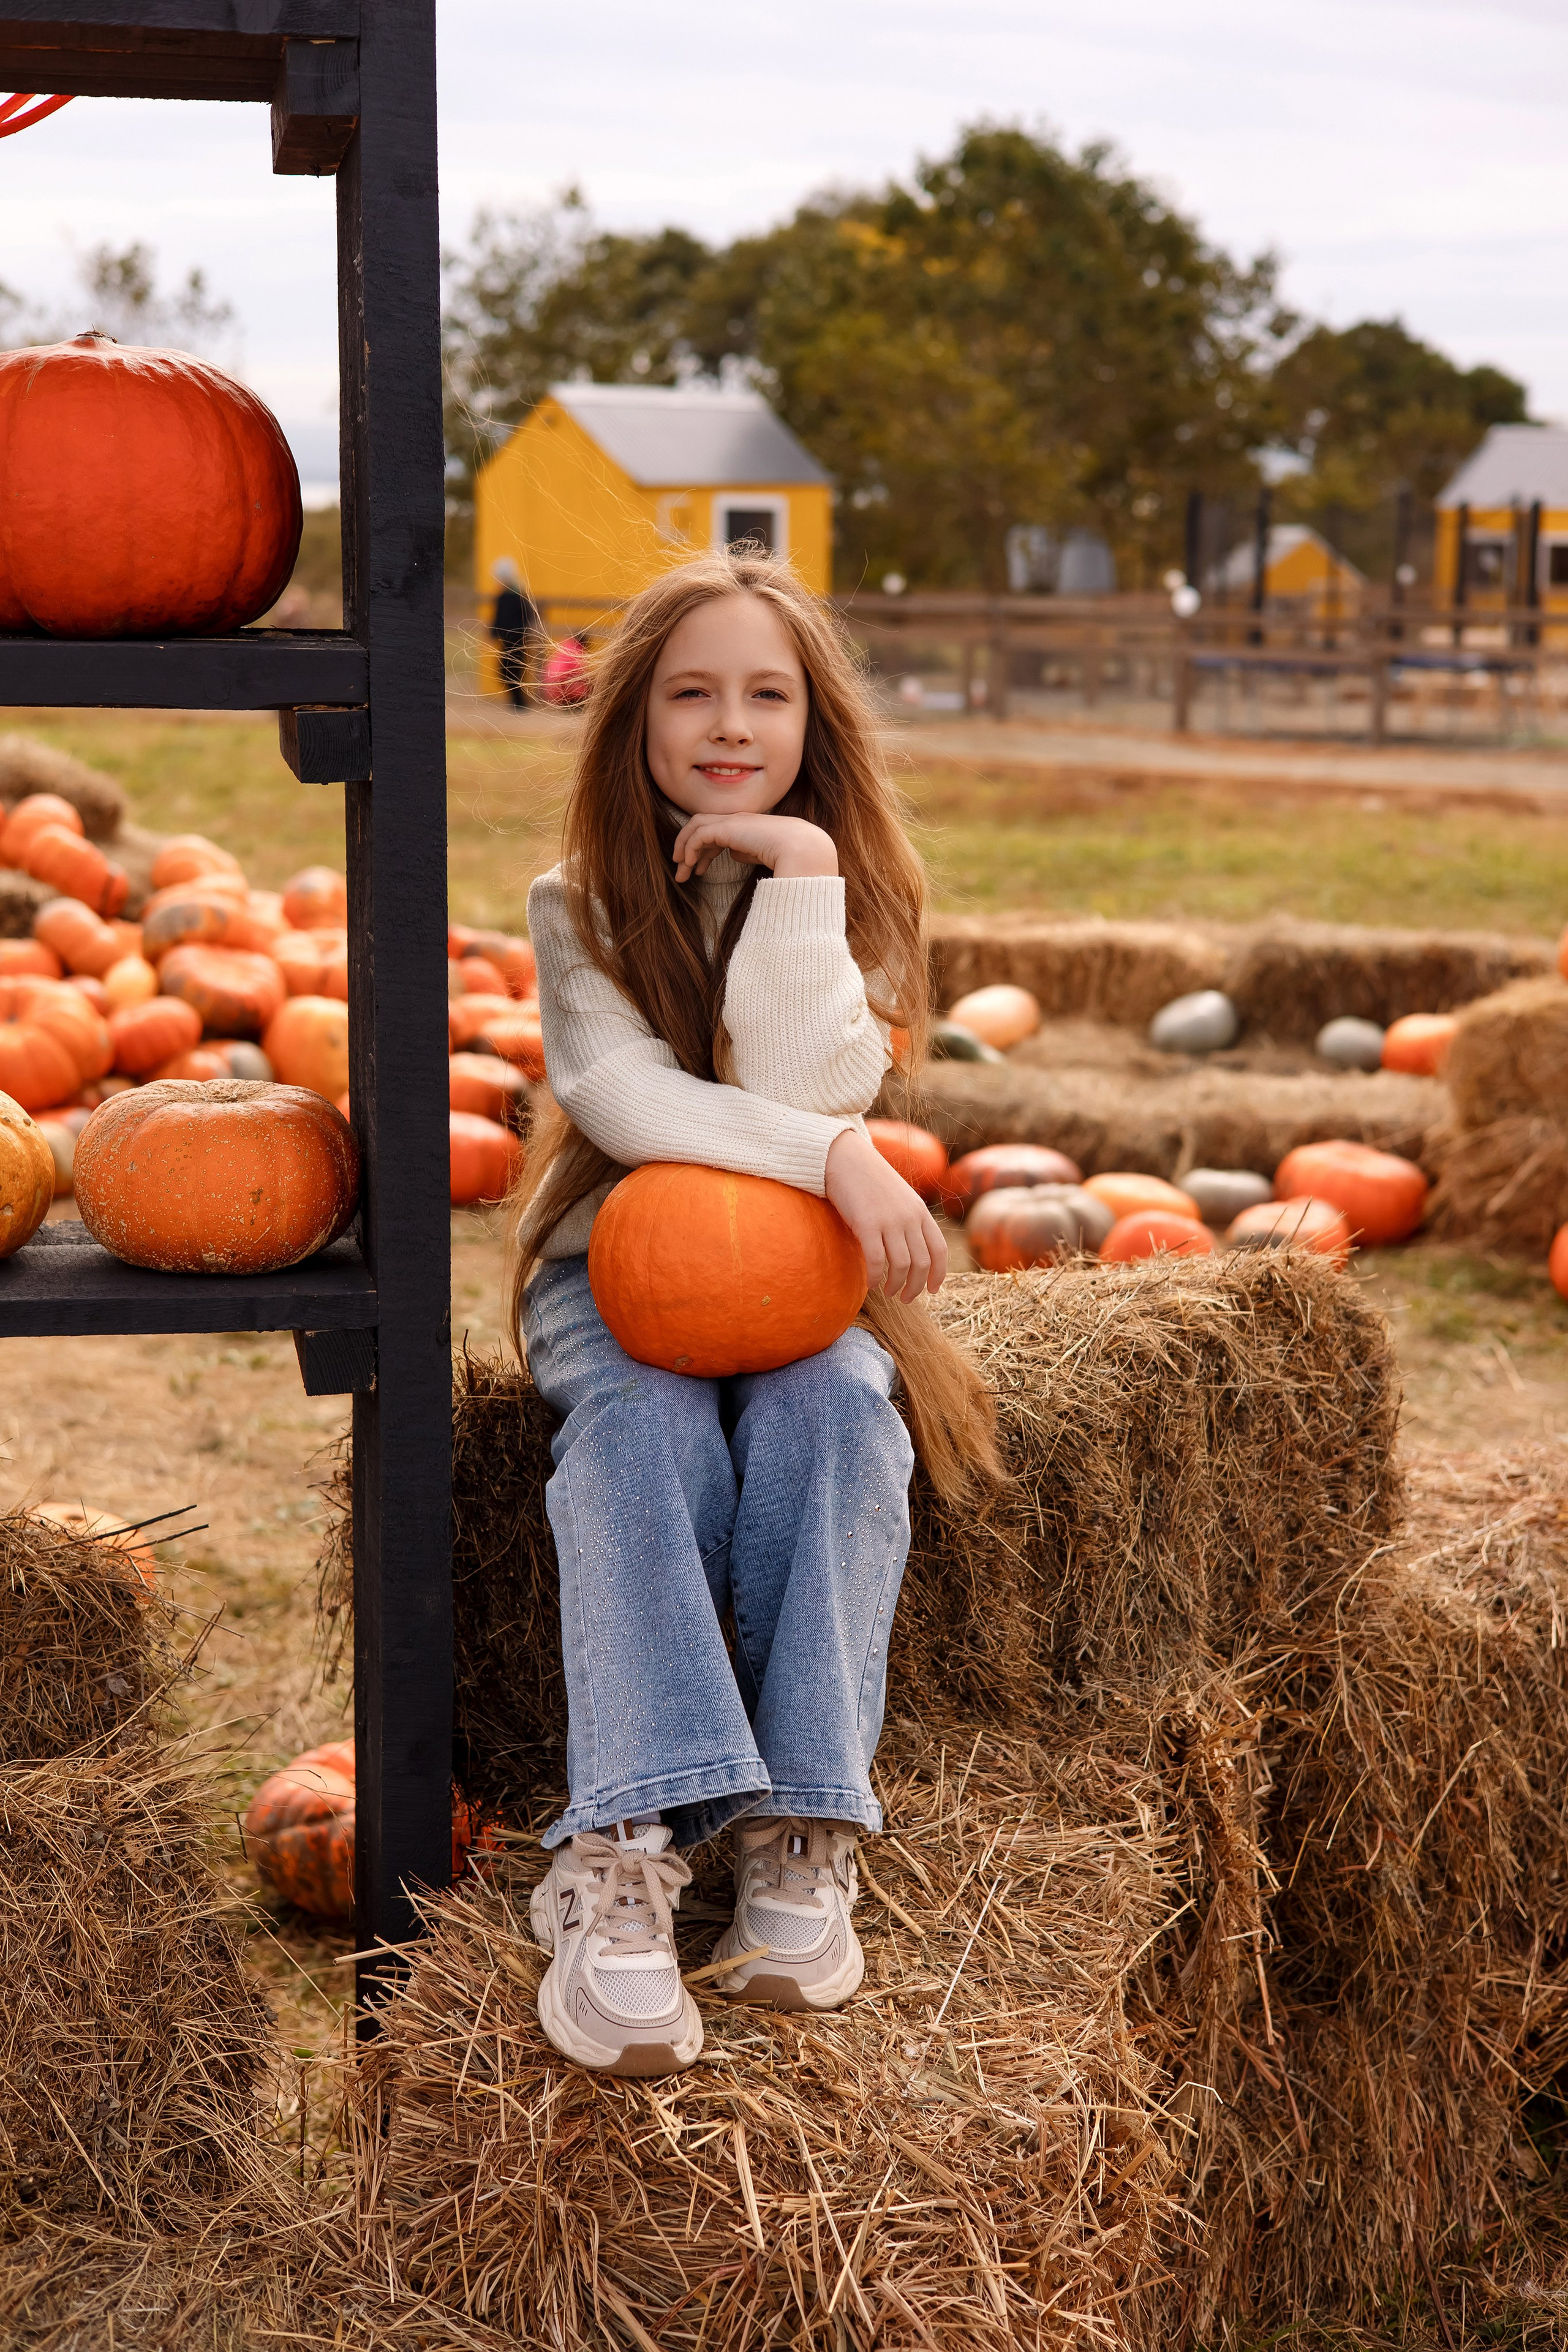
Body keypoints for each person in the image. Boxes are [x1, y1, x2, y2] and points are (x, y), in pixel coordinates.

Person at [508, 548, 999, 2078]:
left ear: (812, 720)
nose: (729, 723)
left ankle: (799, 1830)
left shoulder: (836, 887)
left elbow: (802, 1079)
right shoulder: (575, 899)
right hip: (614, 1268)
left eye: (766, 694)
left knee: (843, 1411)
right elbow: (620, 1094)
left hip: (793, 1277)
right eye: (692, 691)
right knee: (642, 1422)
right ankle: (622, 1850)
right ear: (634, 719)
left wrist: (792, 878)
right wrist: (837, 1154)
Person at [489, 554, 538, 709]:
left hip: (517, 641)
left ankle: (520, 703)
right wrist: (495, 632)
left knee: (514, 671)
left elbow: (527, 617)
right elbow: (498, 618)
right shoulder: (504, 597)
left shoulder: (518, 596)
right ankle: (517, 702)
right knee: (506, 671)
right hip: (508, 641)